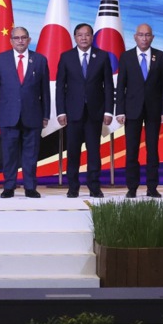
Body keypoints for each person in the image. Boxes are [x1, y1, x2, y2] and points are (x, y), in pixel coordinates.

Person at [0, 27, 50, 198]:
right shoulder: (0, 60)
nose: (20, 41)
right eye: (17, 38)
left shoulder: (40, 60)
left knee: (31, 154)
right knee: (9, 153)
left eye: (24, 38)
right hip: (8, 114)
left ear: (29, 40)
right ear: (11, 40)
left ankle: (30, 187)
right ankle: (9, 186)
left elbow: (45, 91)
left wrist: (46, 114)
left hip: (33, 114)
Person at [55, 23, 114, 198]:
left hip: (95, 113)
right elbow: (60, 87)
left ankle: (94, 187)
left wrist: (109, 111)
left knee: (94, 151)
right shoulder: (66, 57)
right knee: (73, 151)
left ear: (92, 37)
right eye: (80, 35)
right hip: (73, 113)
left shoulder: (102, 56)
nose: (83, 38)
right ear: (75, 37)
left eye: (87, 35)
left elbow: (109, 86)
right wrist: (61, 111)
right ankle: (73, 187)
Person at [115, 24, 163, 198]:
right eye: (141, 35)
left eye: (147, 35)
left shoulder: (160, 56)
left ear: (152, 37)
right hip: (132, 110)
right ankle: (132, 187)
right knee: (132, 150)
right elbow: (121, 85)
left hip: (154, 110)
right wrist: (120, 110)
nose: (144, 38)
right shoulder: (126, 57)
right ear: (135, 37)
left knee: (152, 150)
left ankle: (152, 187)